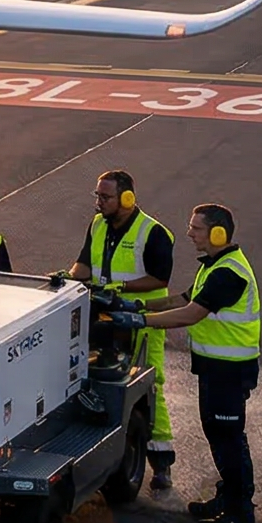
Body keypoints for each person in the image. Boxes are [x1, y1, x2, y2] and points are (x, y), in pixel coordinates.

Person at [144, 204, 261, 523]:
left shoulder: (228, 273)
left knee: (228, 440)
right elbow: (183, 299)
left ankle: (241, 512)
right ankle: (229, 498)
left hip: (229, 370)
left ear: (218, 233)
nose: (189, 233)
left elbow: (190, 314)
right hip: (216, 368)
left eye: (196, 228)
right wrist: (137, 305)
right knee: (220, 436)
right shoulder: (215, 266)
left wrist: (141, 321)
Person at [66, 168, 176, 490]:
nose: (98, 202)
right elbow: (84, 263)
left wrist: (119, 287)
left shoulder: (154, 233)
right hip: (104, 315)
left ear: (126, 198)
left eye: (105, 196)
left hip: (142, 321)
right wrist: (69, 278)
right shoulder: (98, 224)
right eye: (97, 195)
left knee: (149, 384)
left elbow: (160, 279)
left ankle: (161, 461)